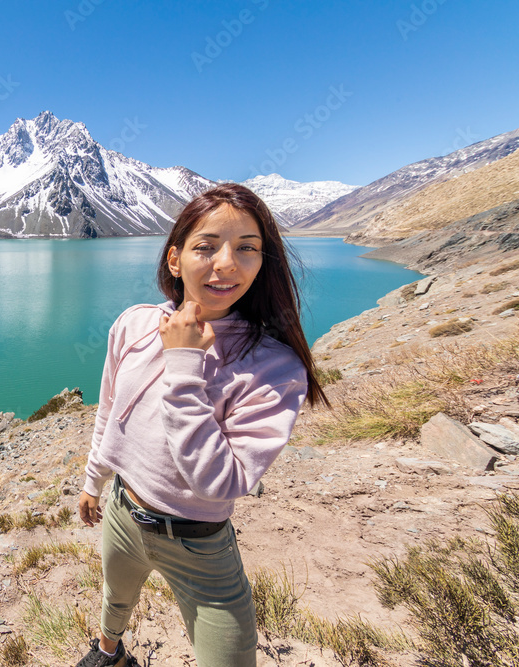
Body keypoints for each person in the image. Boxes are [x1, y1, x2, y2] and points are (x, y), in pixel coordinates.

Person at [75, 183, 330, 667]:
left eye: (247, 249)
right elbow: (109, 410)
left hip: (199, 542)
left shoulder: (273, 367)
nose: (227, 263)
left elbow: (222, 483)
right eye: (206, 247)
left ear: (262, 263)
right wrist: (94, 482)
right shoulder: (133, 324)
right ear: (175, 260)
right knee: (115, 598)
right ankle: (109, 650)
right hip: (123, 512)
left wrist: (184, 362)